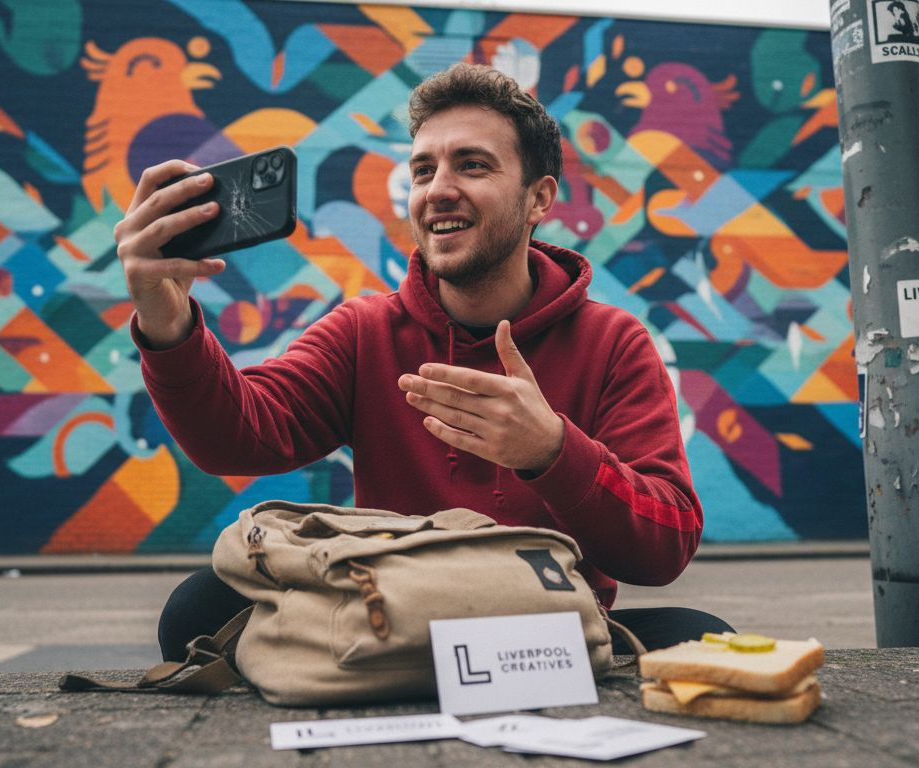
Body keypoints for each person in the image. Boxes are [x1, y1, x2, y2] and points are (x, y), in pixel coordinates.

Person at [113, 63, 731, 662]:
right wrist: (169, 325)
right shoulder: (365, 331)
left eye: (473, 165)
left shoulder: (614, 341)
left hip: (547, 625)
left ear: (539, 198)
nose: (438, 189)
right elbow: (240, 436)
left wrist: (552, 452)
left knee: (708, 641)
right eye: (422, 170)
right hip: (391, 615)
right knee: (197, 608)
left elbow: (665, 542)